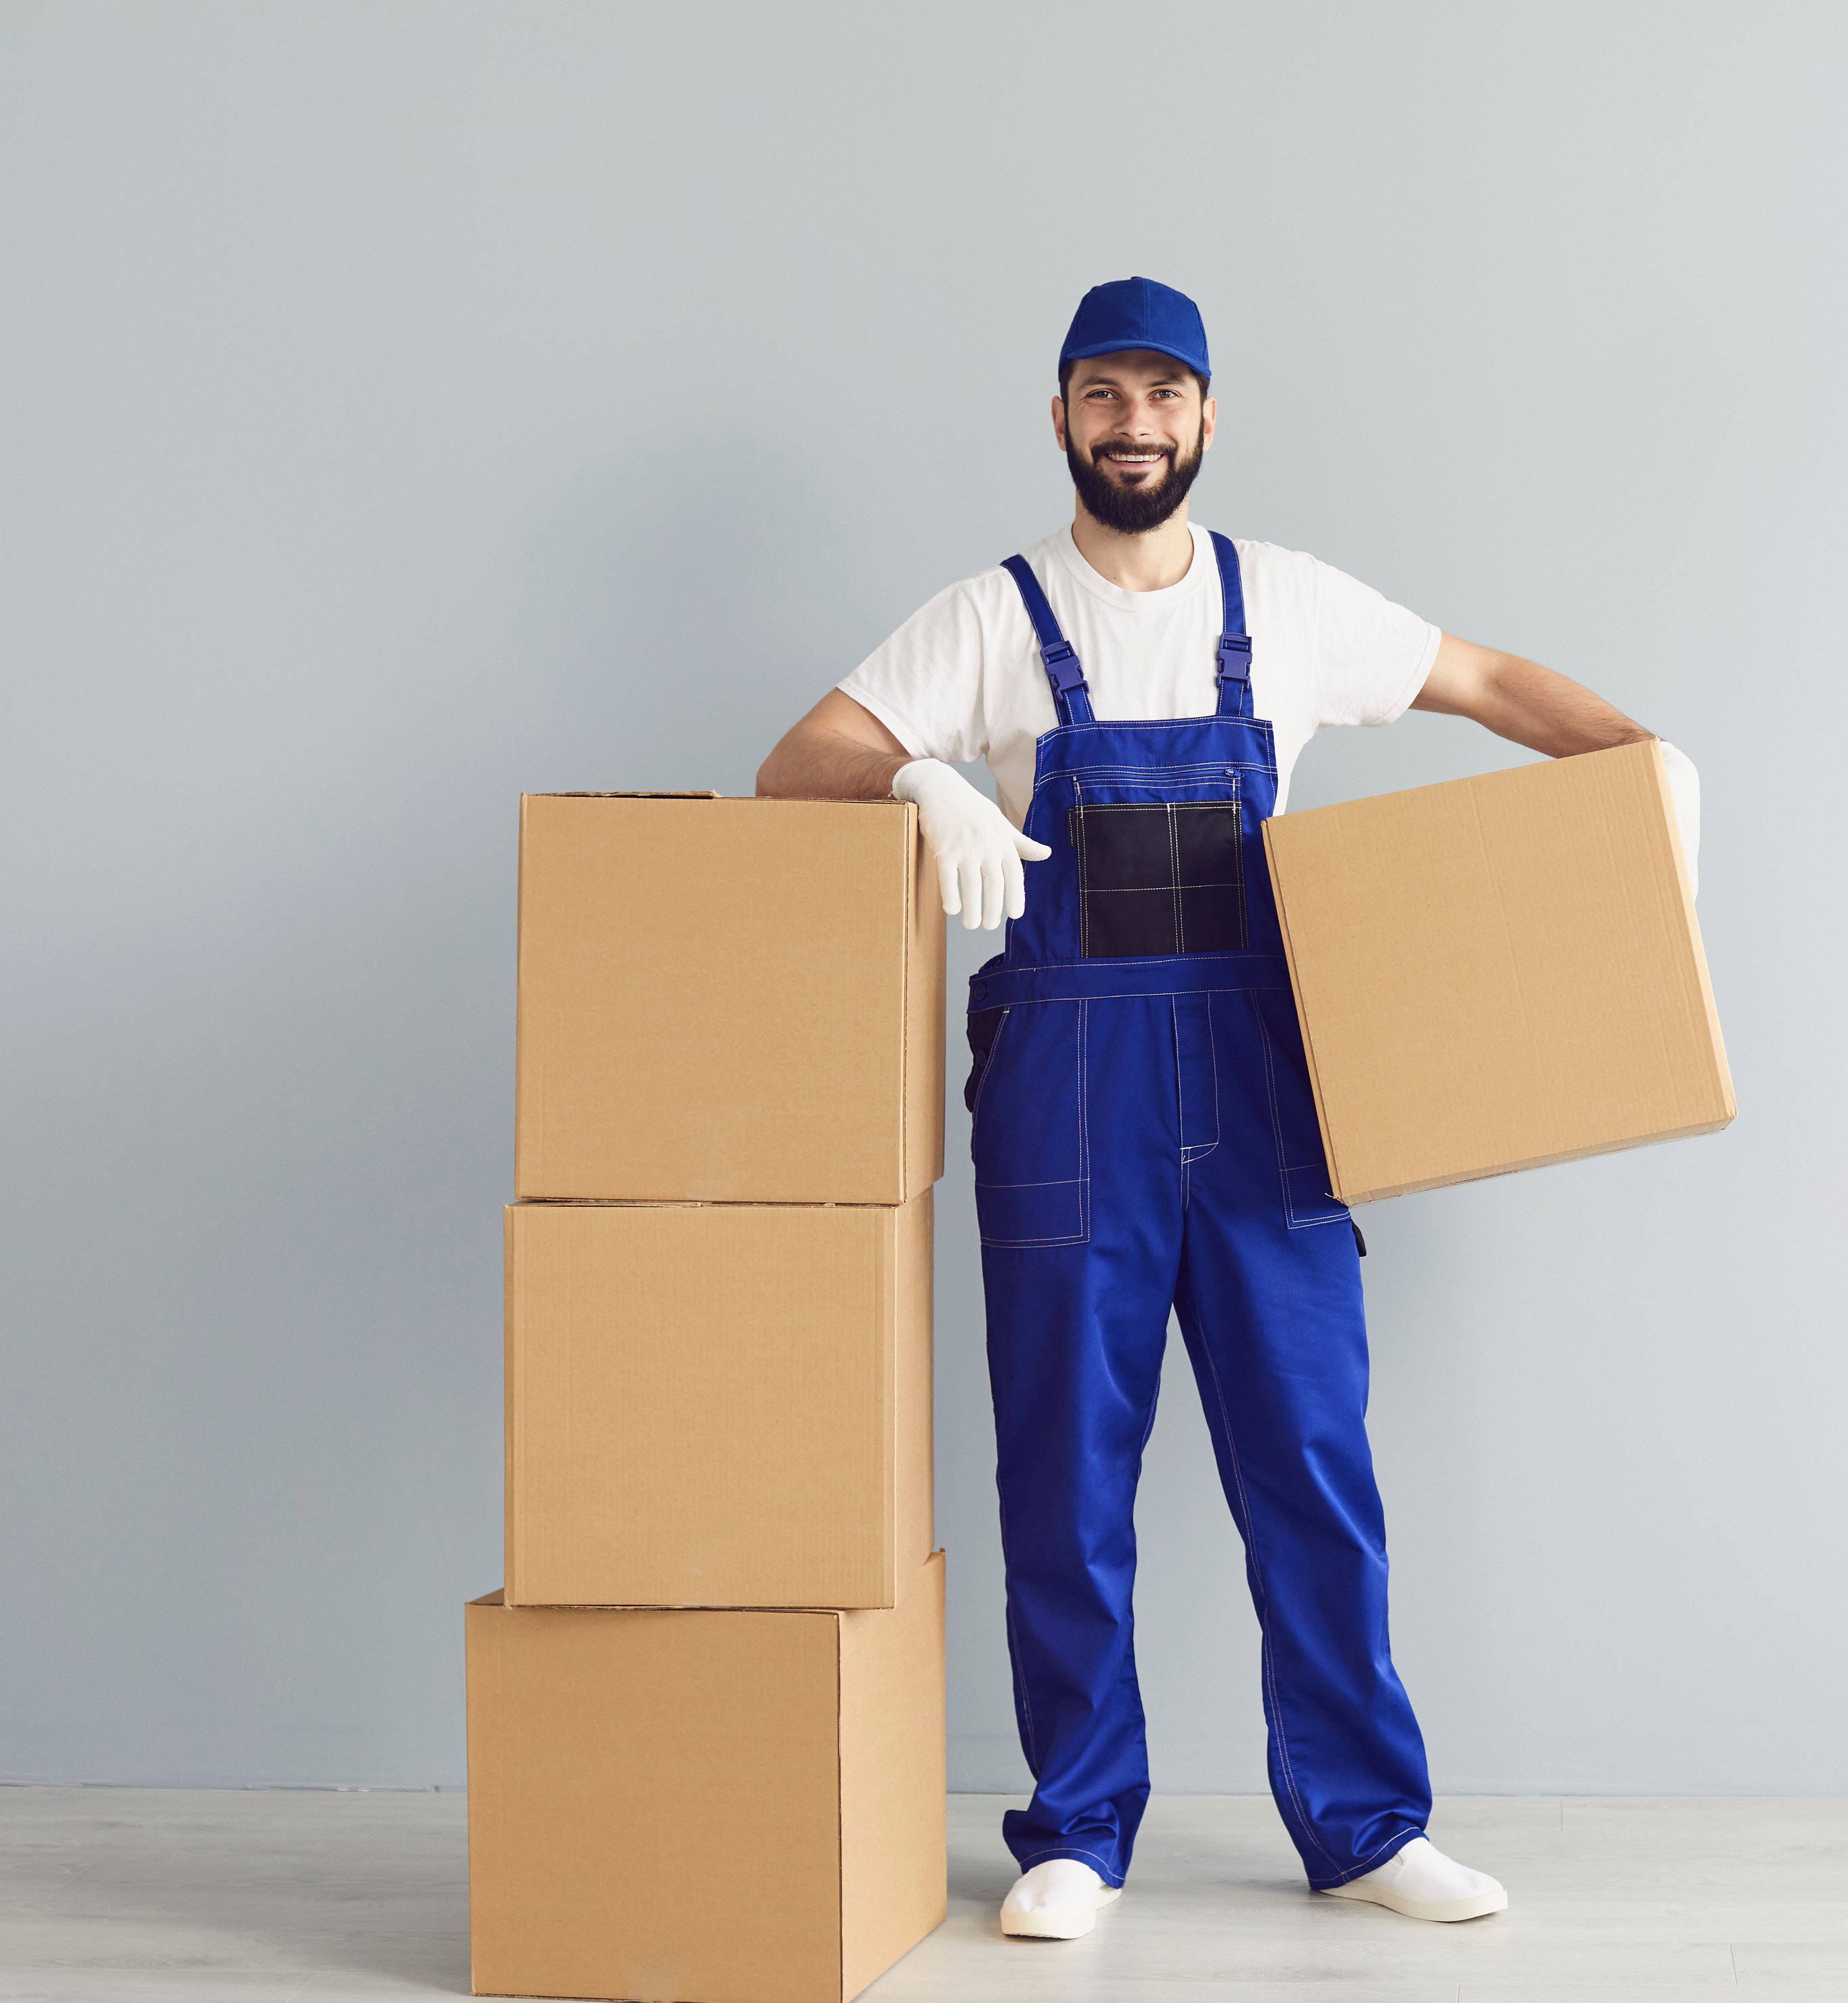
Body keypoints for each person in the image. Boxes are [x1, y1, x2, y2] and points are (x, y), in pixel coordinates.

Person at [757, 277, 1698, 1942]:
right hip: (1067, 1101)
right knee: (1065, 1471)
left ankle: (1366, 1823)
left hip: (1268, 1086)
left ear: (1205, 416)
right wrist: (914, 775)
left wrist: (1645, 763)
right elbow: (795, 761)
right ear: (1060, 415)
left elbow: (1485, 677)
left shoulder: (1289, 602)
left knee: (1312, 1459)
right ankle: (1075, 1828)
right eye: (1103, 395)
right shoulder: (991, 617)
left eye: (1163, 395)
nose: (1134, 425)